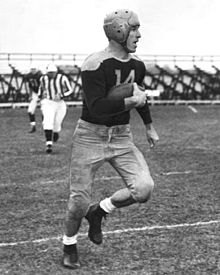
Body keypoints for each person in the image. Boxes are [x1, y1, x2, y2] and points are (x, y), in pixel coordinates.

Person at [62, 9, 159, 269]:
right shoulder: (95, 63)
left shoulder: (137, 65)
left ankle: (101, 210)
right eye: (134, 28)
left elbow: (141, 97)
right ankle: (69, 243)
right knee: (79, 200)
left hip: (121, 137)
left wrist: (149, 125)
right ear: (118, 30)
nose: (139, 34)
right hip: (90, 136)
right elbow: (96, 107)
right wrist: (132, 100)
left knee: (144, 188)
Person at [38, 63, 73, 153]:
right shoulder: (43, 78)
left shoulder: (62, 78)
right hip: (48, 102)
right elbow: (40, 89)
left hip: (60, 103)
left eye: (53, 73)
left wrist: (62, 95)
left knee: (57, 122)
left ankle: (56, 132)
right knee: (48, 121)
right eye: (49, 73)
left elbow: (70, 90)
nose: (51, 75)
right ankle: (49, 143)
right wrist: (40, 96)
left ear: (56, 72)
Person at [26, 65, 42, 133]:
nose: (33, 70)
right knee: (30, 111)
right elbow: (30, 86)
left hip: (42, 94)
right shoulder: (29, 76)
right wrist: (30, 95)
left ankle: (45, 127)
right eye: (32, 69)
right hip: (35, 94)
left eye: (34, 69)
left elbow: (44, 86)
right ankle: (33, 126)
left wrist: (40, 96)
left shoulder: (40, 75)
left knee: (45, 111)